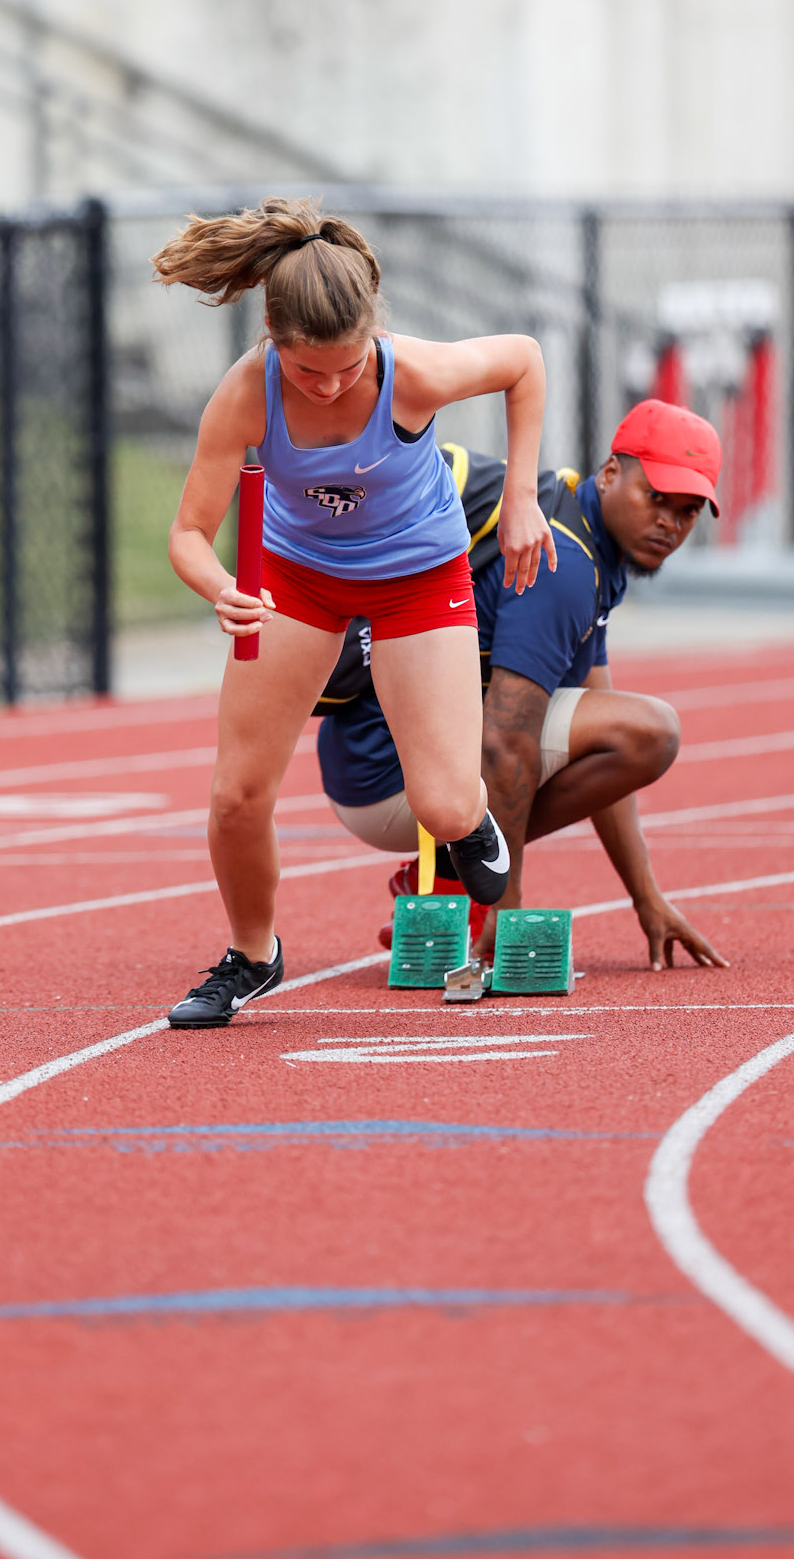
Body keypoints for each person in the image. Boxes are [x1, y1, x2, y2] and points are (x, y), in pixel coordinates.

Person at [153, 196, 555, 1028]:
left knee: (441, 808)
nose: (331, 384)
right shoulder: (245, 395)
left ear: (372, 333)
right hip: (300, 582)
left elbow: (524, 361)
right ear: (270, 337)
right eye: (308, 371)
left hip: (419, 576)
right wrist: (218, 586)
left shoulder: (410, 373)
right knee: (236, 793)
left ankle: (470, 821)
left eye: (345, 366)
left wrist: (520, 498)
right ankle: (251, 956)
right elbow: (189, 533)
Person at [316, 400, 729, 971]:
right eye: (655, 497)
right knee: (653, 731)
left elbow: (597, 721)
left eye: (687, 512)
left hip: (383, 758)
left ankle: (452, 866)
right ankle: (458, 870)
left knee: (630, 732)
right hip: (390, 775)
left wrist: (646, 897)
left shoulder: (580, 534)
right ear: (610, 473)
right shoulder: (565, 563)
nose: (668, 523)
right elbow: (505, 744)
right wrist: (503, 910)